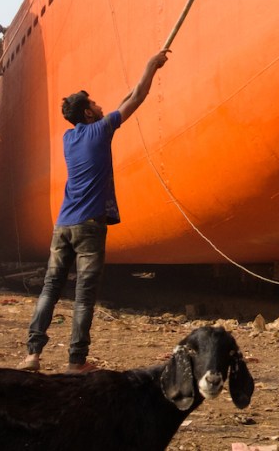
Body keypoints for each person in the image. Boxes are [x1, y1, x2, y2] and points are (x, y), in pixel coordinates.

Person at [18, 49, 170, 373]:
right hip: (89, 227)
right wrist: (150, 64)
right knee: (84, 296)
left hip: (63, 225)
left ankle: (32, 354)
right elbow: (138, 97)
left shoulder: (69, 137)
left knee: (50, 288)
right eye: (95, 104)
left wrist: (134, 86)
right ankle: (76, 362)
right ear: (88, 114)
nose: (101, 107)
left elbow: (124, 102)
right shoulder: (101, 130)